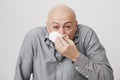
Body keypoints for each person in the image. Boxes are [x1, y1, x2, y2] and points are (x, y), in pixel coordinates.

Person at [14, 4, 114, 80]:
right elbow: (20, 76)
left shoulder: (87, 34)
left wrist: (75, 56)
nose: (61, 33)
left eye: (67, 27)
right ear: (47, 26)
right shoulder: (34, 37)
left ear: (76, 25)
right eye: (55, 27)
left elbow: (108, 77)